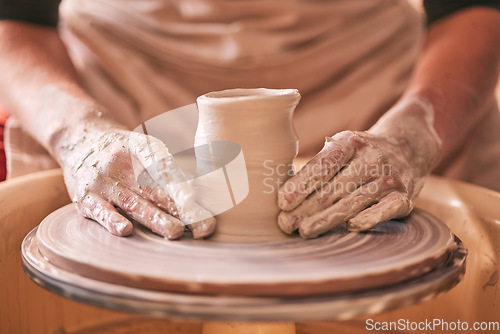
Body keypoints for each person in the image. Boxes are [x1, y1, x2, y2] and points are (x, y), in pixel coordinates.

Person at [0, 0, 499, 239]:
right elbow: (16, 15)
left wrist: (414, 133)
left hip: (372, 75)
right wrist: (79, 134)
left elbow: (475, 7)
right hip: (124, 75)